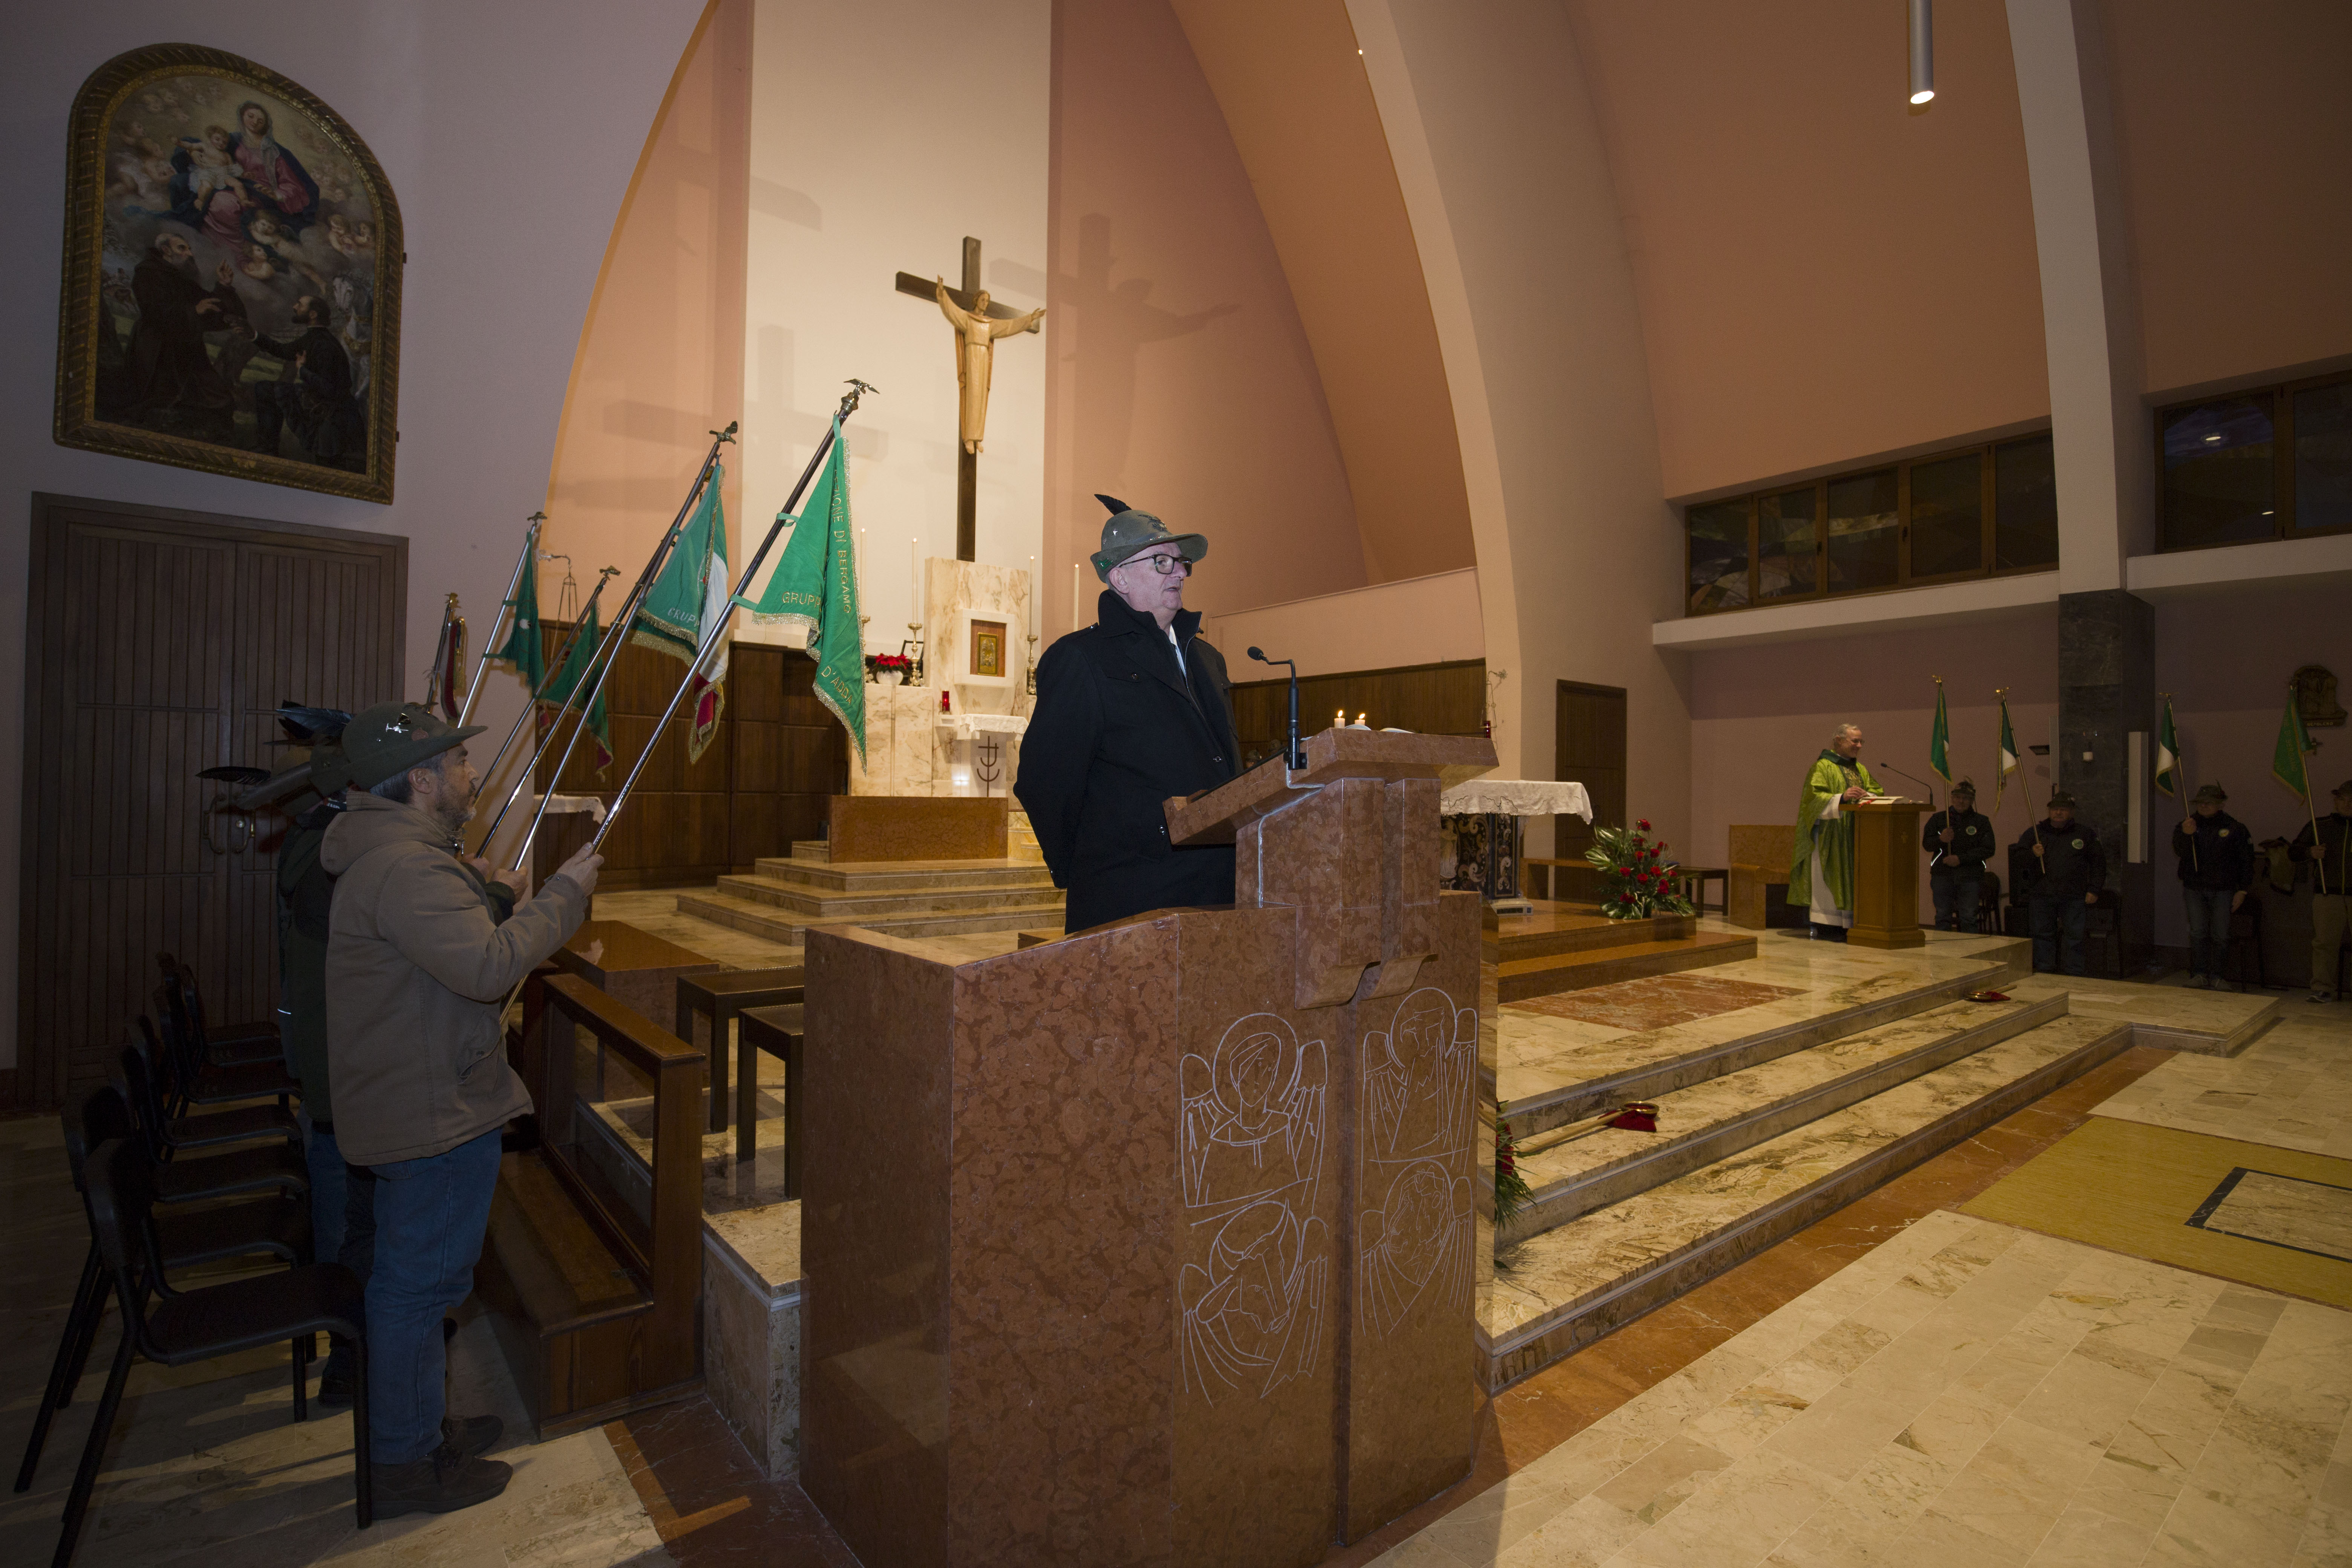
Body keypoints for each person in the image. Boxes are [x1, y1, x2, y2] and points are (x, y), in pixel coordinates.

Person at [323, 701, 599, 1516]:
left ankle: (417, 1427)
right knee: (416, 1291)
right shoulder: (408, 869)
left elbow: (437, 960)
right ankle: (407, 1462)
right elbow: (485, 968)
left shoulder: (393, 858)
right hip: (432, 1113)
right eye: (457, 764)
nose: (470, 775)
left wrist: (482, 893)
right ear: (420, 780)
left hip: (417, 1096)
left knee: (418, 1284)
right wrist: (564, 895)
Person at [1016, 496, 1238, 933]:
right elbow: (1045, 782)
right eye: (1162, 561)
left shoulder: (1209, 659)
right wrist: (1087, 868)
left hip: (1219, 891)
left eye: (1181, 562)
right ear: (1119, 576)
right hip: (1133, 899)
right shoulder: (1082, 659)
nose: (1179, 572)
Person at [1788, 723, 1882, 940]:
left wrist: (1867, 794)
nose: (1859, 746)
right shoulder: (1822, 767)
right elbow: (1812, 799)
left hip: (1854, 836)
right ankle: (1828, 927)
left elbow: (1877, 790)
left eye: (1861, 742)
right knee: (1826, 884)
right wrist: (1842, 797)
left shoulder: (1860, 769)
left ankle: (1851, 925)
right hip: (1830, 837)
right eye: (1855, 741)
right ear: (1839, 741)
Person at [246, 294, 360, 464]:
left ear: (313, 314)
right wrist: (254, 336)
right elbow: (284, 351)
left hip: (331, 408)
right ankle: (267, 448)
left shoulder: (324, 344)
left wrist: (302, 370)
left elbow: (329, 389)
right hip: (317, 395)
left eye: (300, 305)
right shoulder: (314, 336)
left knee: (266, 390)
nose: (295, 307)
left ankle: (268, 448)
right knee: (265, 388)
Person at [2171, 783, 2255, 991]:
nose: (2204, 806)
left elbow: (2246, 861)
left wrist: (2242, 890)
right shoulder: (2187, 825)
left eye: (2209, 803)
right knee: (2198, 932)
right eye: (2201, 803)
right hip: (2195, 887)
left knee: (2221, 934)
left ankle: (2219, 976)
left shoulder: (2235, 828)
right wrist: (2187, 835)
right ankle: (2199, 974)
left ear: (2221, 804)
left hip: (2224, 889)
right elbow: (2180, 852)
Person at [2015, 790, 2104, 975]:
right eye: (2055, 809)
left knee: (2075, 937)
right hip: (2042, 894)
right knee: (2042, 935)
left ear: (2072, 812)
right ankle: (2045, 971)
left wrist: (2094, 889)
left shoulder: (2085, 834)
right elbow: (2018, 860)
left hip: (2074, 895)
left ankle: (2074, 973)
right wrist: (2032, 854)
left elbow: (2099, 864)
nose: (2058, 813)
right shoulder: (2035, 833)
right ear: (2049, 811)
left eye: (2063, 809)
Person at [2288, 778, 2352, 1003]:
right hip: (2328, 894)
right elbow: (2293, 852)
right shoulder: (2320, 825)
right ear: (2336, 802)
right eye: (2343, 799)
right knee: (2324, 944)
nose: (2348, 804)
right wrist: (2310, 853)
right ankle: (2322, 988)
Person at [1922, 778, 1993, 933]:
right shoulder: (1939, 819)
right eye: (1958, 797)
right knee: (1942, 917)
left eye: (1966, 798)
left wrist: (1961, 859)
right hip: (1942, 874)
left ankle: (1969, 948)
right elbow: (1927, 845)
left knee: (1969, 918)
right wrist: (1941, 839)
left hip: (1970, 876)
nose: (1961, 801)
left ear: (1972, 801)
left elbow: (1988, 849)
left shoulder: (1981, 822)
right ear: (1952, 798)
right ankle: (1943, 948)